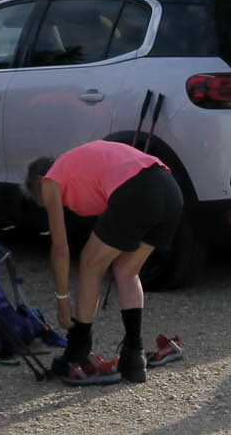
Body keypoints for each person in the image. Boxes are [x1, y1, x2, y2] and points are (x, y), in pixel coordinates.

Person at [28, 140, 185, 383]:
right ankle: (134, 356)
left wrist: (62, 301)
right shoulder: (79, 166)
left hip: (138, 188)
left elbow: (60, 250)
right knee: (126, 270)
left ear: (39, 181)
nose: (51, 205)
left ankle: (77, 352)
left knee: (90, 263)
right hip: (170, 190)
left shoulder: (50, 179)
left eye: (42, 202)